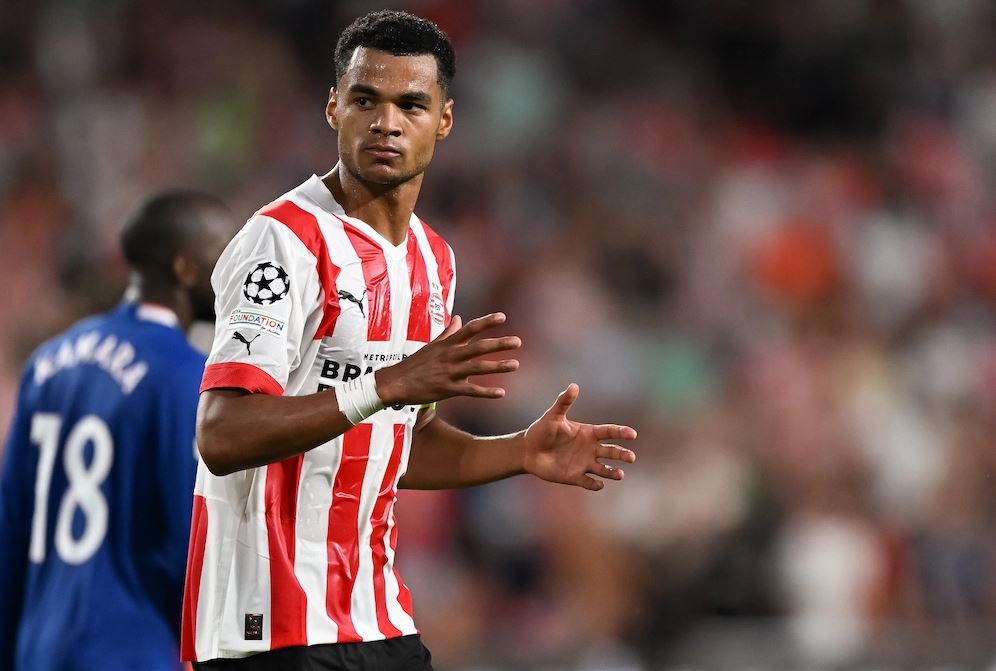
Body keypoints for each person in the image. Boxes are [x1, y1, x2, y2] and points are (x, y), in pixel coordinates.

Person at [182, 10, 638, 670]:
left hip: (376, 616)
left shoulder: (434, 261)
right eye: (366, 100)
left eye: (411, 104)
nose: (386, 122)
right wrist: (387, 383)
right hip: (268, 625)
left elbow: (400, 443)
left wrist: (518, 451)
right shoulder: (282, 242)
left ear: (443, 120)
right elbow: (222, 434)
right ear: (334, 108)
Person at [0, 191, 236, 671]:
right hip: (132, 649)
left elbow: (11, 531)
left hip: (38, 647)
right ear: (186, 269)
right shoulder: (182, 374)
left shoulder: (47, 363)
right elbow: (190, 542)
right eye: (225, 257)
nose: (237, 275)